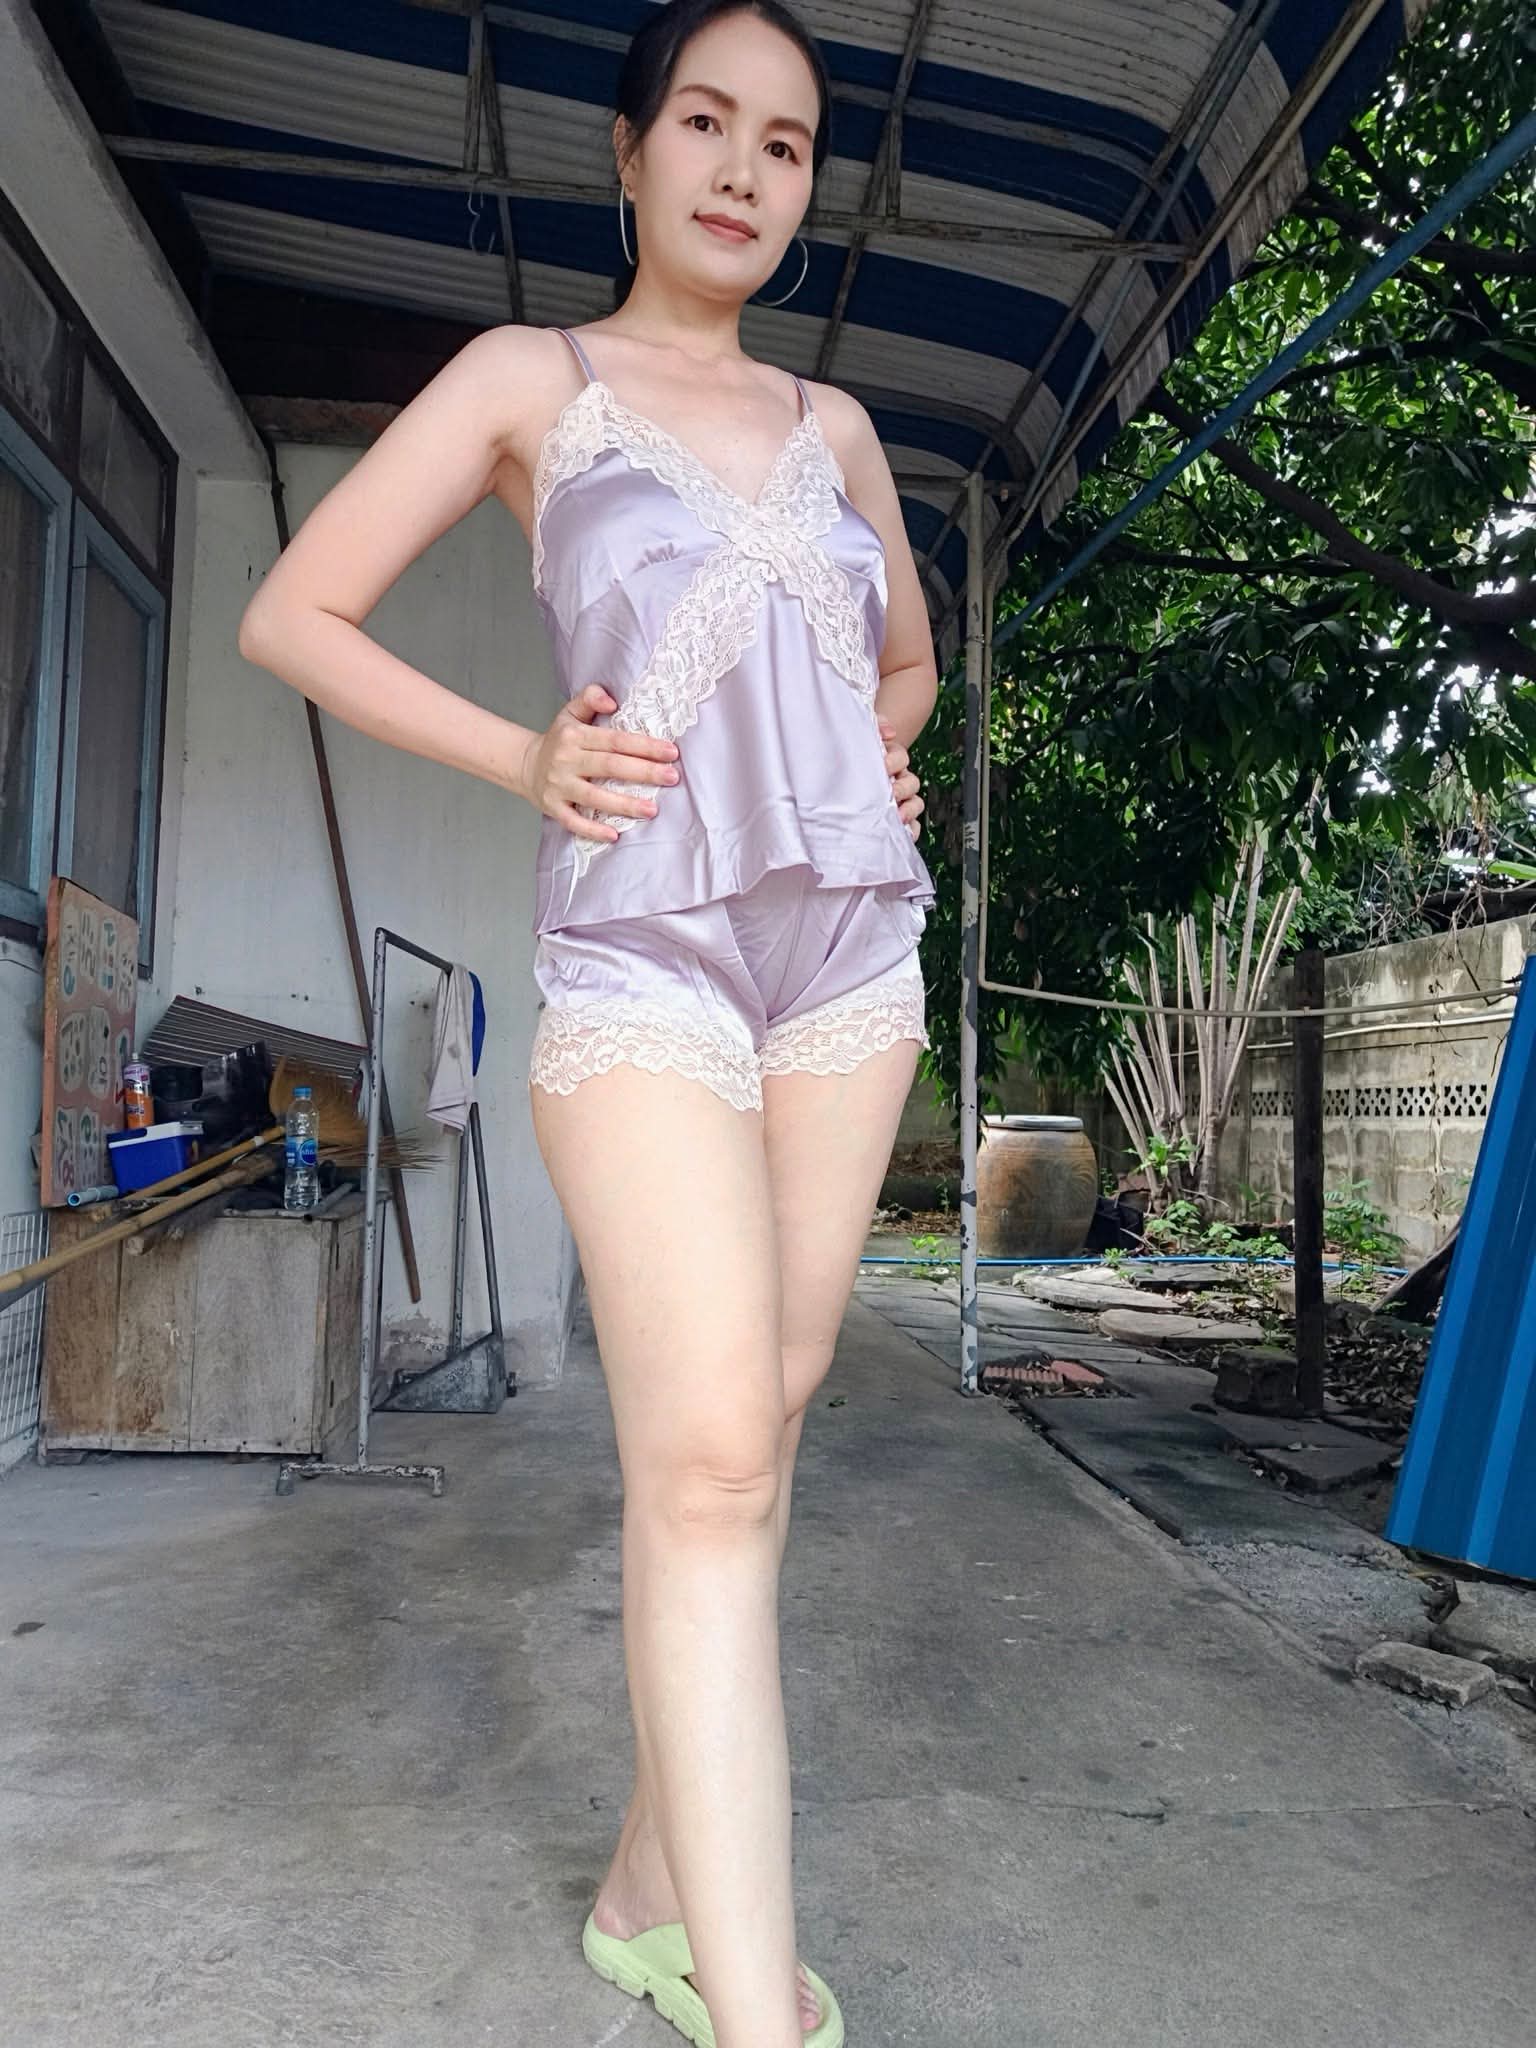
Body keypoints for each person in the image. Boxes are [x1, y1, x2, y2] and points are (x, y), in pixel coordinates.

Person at [238, 3, 937, 2040]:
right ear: (629, 154)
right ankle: (756, 2007)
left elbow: (904, 663)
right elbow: (293, 612)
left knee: (764, 1417)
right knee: (709, 1464)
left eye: (786, 144)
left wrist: (880, 757)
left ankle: (648, 1876)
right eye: (705, 122)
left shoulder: (838, 430)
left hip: (848, 966)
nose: (743, 169)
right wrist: (525, 755)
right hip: (646, 956)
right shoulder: (528, 383)